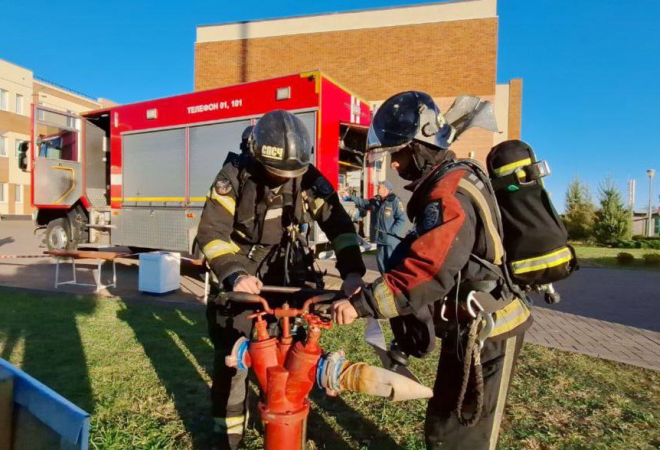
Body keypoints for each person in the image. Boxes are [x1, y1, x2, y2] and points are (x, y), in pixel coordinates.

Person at [331, 91, 532, 450]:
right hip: (468, 328)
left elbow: (427, 269)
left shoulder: (449, 195)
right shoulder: (449, 181)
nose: (394, 165)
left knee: (465, 436)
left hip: (490, 333)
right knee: (443, 424)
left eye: (399, 153)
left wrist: (362, 305)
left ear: (422, 146)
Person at [197, 110, 366, 449]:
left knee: (292, 349)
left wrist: (352, 272)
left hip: (287, 268)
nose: (284, 179)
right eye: (276, 173)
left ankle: (283, 412)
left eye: (291, 174)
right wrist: (234, 275)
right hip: (243, 270)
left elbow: (339, 226)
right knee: (233, 358)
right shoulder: (232, 176)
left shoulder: (309, 178)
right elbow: (212, 233)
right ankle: (228, 435)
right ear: (257, 158)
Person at [340, 180, 407, 272]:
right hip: (379, 238)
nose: (377, 189)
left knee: (392, 263)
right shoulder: (375, 201)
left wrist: (392, 232)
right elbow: (363, 203)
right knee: (380, 261)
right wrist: (349, 197)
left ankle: (393, 280)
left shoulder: (394, 201)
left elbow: (401, 219)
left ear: (386, 189)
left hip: (390, 240)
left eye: (379, 187)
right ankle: (385, 279)